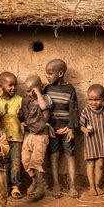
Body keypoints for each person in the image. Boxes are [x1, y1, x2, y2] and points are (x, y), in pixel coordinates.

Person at [43, 59, 79, 198]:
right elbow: (45, 111)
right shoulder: (46, 89)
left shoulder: (70, 89)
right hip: (52, 129)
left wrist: (71, 129)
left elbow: (73, 109)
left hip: (66, 129)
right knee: (54, 155)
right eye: (46, 73)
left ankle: (73, 185)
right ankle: (56, 183)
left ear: (60, 73)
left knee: (70, 155)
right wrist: (48, 126)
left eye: (50, 73)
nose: (47, 76)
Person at [20, 75, 53, 200]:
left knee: (36, 161)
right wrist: (22, 119)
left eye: (33, 90)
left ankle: (40, 187)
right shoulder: (29, 103)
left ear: (41, 88)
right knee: (25, 159)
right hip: (29, 134)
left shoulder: (45, 98)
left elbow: (44, 107)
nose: (30, 93)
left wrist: (39, 93)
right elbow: (29, 119)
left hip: (41, 135)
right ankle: (34, 180)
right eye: (28, 91)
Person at [0, 72, 23, 199]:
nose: (13, 88)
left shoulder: (19, 100)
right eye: (10, 85)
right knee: (3, 162)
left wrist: (21, 116)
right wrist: (1, 115)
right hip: (1, 138)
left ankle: (15, 186)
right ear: (1, 85)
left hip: (16, 137)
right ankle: (5, 185)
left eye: (15, 85)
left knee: (16, 162)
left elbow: (24, 118)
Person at [79, 84, 104, 196]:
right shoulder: (86, 112)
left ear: (103, 99)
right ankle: (91, 186)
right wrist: (85, 130)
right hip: (90, 143)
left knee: (100, 165)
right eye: (90, 99)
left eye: (97, 100)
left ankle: (98, 185)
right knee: (90, 164)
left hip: (102, 143)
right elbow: (81, 126)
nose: (93, 102)